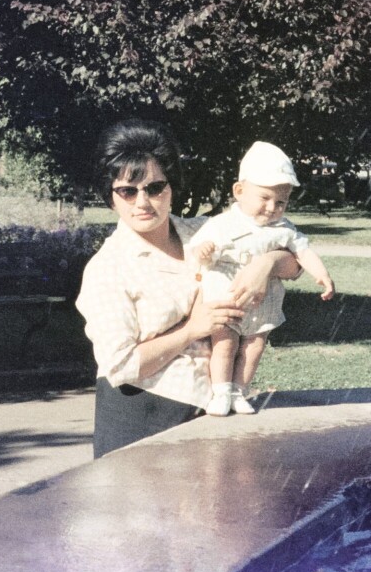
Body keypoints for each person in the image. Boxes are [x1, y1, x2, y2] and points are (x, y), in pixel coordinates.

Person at [75, 120, 302, 457]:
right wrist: (194, 328)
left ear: (171, 187)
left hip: (211, 413)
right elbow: (121, 366)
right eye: (127, 190)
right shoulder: (108, 268)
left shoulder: (206, 232)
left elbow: (295, 264)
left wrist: (264, 264)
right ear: (110, 197)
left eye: (155, 187)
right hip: (143, 422)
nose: (143, 202)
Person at [188, 141, 335, 417]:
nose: (272, 208)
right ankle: (221, 391)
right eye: (264, 198)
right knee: (225, 344)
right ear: (239, 191)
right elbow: (199, 252)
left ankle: (239, 391)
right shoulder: (222, 224)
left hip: (263, 301)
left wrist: (322, 275)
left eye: (281, 202)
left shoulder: (284, 229)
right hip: (227, 297)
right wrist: (203, 250)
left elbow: (303, 252)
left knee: (254, 347)